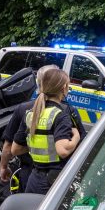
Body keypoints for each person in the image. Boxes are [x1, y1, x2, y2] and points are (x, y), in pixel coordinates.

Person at [11, 66, 81, 194]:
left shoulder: (31, 114)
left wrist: (44, 145)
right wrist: (76, 137)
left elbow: (15, 149)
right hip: (53, 181)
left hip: (34, 178)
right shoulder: (61, 114)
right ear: (64, 88)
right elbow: (63, 150)